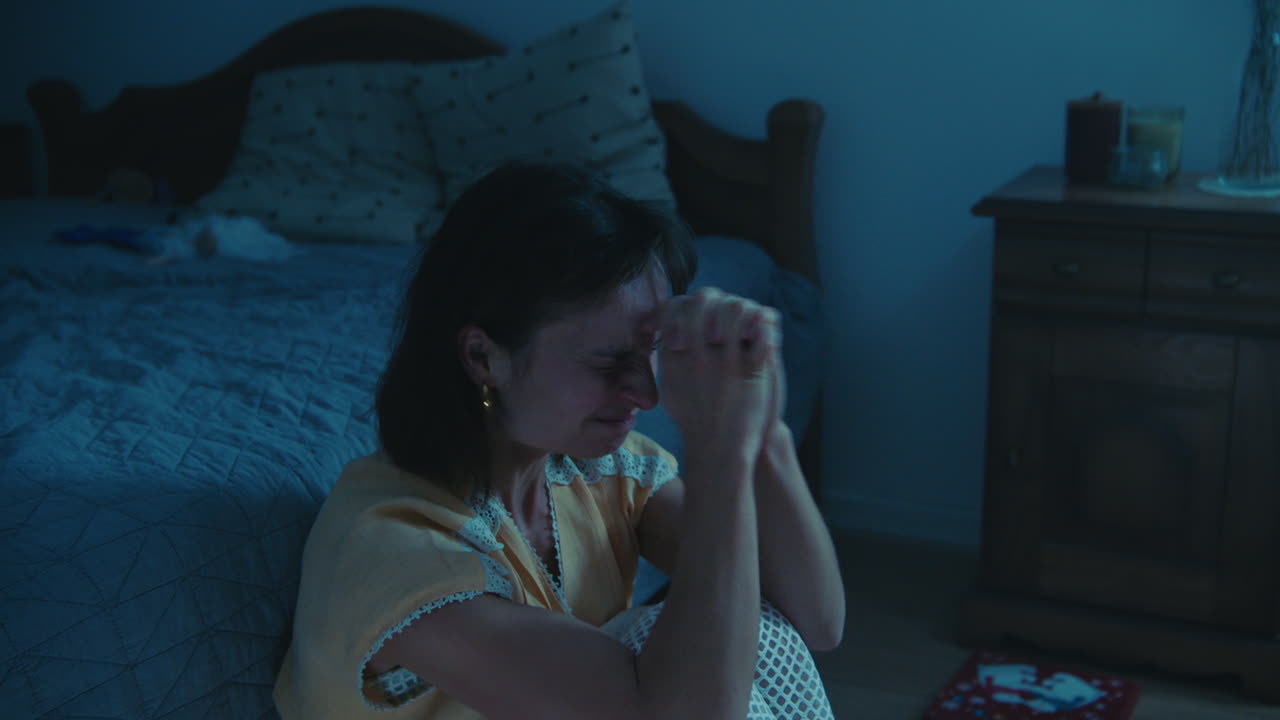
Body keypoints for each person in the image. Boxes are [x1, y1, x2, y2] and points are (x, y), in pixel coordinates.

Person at [273, 161, 845, 719]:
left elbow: (814, 620)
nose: (645, 395)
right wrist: (720, 453)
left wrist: (764, 430)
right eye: (608, 361)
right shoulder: (400, 553)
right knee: (674, 654)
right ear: (482, 357)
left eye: (649, 350)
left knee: (753, 635)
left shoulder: (600, 475)